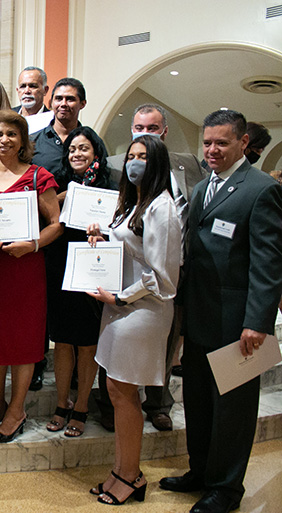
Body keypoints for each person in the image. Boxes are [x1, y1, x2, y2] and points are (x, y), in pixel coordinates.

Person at [160, 110, 282, 513]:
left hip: (237, 322)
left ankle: (226, 489)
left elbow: (268, 262)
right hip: (199, 316)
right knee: (197, 401)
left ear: (243, 143)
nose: (211, 150)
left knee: (232, 408)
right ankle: (201, 472)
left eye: (221, 143)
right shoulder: (201, 188)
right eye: (207, 143)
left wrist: (258, 322)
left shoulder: (261, 189)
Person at [87, 134, 180, 506]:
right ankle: (120, 470)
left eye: (143, 156)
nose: (134, 162)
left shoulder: (163, 207)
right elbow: (128, 246)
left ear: (156, 162)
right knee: (116, 390)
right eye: (131, 156)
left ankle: (131, 475)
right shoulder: (133, 202)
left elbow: (164, 277)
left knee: (126, 394)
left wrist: (121, 297)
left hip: (142, 309)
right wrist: (101, 235)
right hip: (119, 306)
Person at [102, 103, 207, 432]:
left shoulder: (185, 169)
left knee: (165, 346)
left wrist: (123, 298)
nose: (143, 137)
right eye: (138, 129)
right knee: (121, 386)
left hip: (163, 282)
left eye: (151, 129)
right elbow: (126, 226)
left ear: (163, 133)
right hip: (132, 287)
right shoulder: (122, 177)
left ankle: (159, 403)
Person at [0, 110, 62, 443]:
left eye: (11, 134)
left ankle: (17, 408)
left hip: (25, 269)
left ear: (22, 140)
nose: (4, 140)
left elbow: (56, 224)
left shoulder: (38, 176)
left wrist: (32, 244)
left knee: (23, 342)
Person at [30, 77, 106, 391]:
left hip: (84, 241)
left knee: (80, 313)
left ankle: (78, 375)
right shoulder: (35, 141)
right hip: (47, 240)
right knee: (43, 306)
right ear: (52, 102)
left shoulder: (93, 140)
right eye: (58, 98)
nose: (64, 104)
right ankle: (37, 364)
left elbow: (105, 187)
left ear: (82, 104)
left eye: (71, 99)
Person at [44, 126, 110, 437]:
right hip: (59, 267)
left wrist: (101, 233)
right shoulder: (59, 183)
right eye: (72, 150)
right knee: (62, 341)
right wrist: (66, 194)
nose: (76, 154)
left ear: (96, 152)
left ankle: (81, 404)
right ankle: (61, 402)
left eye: (83, 149)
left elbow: (118, 230)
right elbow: (47, 216)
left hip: (92, 270)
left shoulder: (111, 187)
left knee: (86, 343)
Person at [14, 66, 53, 133]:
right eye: (23, 86)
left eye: (32, 86)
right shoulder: (7, 116)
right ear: (18, 90)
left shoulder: (52, 121)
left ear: (45, 90)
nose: (27, 91)